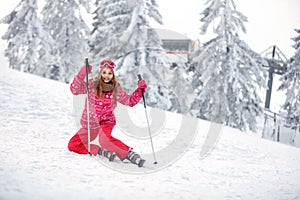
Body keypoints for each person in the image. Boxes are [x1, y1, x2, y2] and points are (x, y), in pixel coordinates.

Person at [68, 59, 147, 166]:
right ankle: (101, 151)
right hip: (90, 122)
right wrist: (82, 74)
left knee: (104, 140)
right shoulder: (91, 85)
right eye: (104, 72)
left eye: (110, 73)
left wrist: (140, 90)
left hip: (106, 121)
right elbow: (75, 90)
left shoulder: (115, 89)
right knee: (73, 145)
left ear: (113, 75)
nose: (106, 76)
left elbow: (130, 101)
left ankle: (129, 154)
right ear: (100, 73)